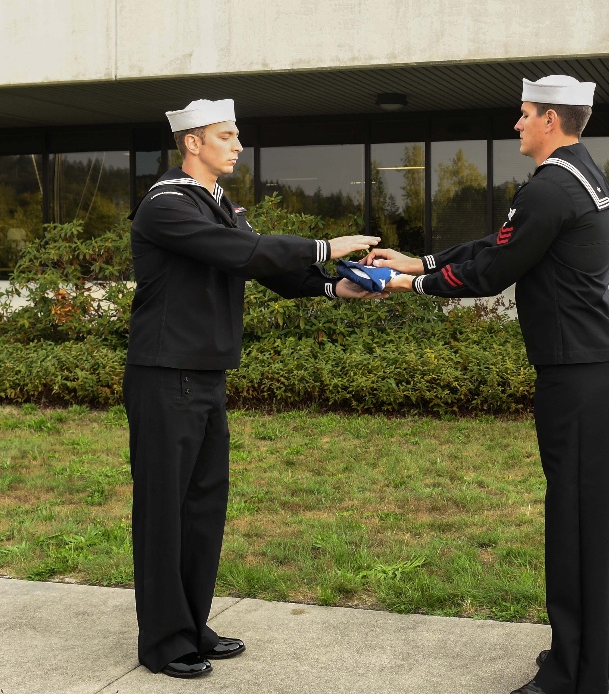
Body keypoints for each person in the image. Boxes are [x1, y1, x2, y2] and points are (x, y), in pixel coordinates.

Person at [365, 76, 609, 694]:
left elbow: (496, 269)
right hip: (586, 366)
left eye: (525, 114)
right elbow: (501, 242)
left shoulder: (552, 186)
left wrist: (407, 285)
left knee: (575, 520)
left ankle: (573, 674)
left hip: (575, 371)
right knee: (589, 518)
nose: (516, 124)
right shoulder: (581, 176)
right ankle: (587, 658)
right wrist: (423, 260)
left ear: (551, 121)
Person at [123, 98, 382, 679]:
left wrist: (330, 287)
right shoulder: (167, 205)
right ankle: (163, 641)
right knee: (164, 510)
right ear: (193, 143)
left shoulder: (218, 205)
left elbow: (263, 263)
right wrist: (326, 247)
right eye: (226, 135)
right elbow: (242, 252)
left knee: (203, 505)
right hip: (166, 375)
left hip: (205, 373)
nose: (238, 145)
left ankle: (192, 623)